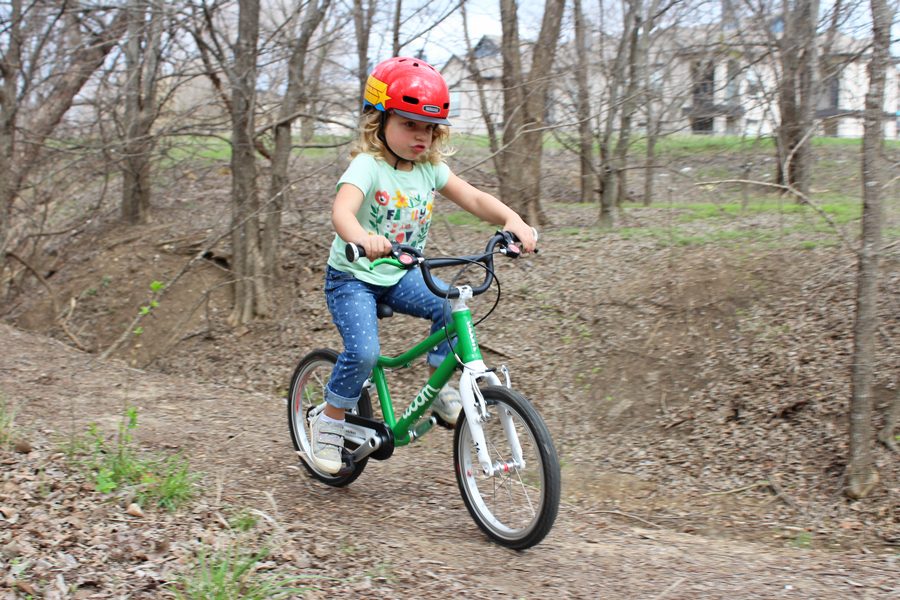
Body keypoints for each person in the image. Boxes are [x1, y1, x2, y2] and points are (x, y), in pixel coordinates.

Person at [311, 56, 536, 475]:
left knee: (450, 304)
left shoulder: (430, 169)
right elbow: (342, 212)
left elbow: (473, 198)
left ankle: (441, 387)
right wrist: (362, 238)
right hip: (353, 277)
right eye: (409, 124)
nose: (422, 136)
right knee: (364, 352)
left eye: (430, 128)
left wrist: (512, 219)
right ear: (379, 121)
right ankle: (330, 420)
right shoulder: (368, 166)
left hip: (399, 274)